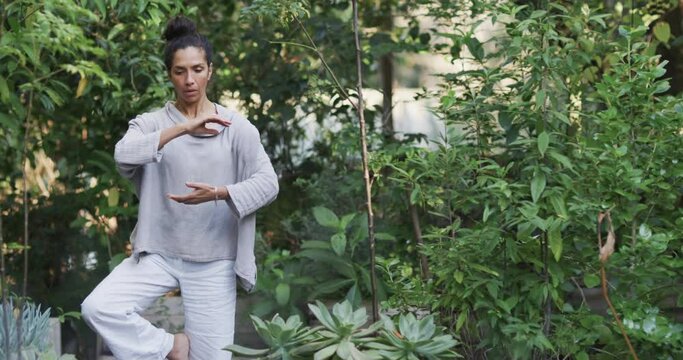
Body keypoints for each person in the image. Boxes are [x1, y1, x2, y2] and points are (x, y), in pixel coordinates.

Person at [81, 15, 279, 360]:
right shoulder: (151, 123)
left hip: (214, 261)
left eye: (198, 69)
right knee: (99, 307)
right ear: (170, 74)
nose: (190, 80)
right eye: (180, 71)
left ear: (210, 71)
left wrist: (220, 193)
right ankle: (171, 346)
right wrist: (183, 128)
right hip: (159, 254)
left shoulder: (237, 128)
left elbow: (268, 183)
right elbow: (123, 154)